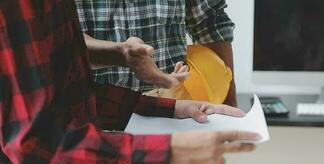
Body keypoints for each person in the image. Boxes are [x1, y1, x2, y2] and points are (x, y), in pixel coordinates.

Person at [0, 1, 259, 164]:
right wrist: (168, 153)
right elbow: (35, 143)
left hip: (124, 111)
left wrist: (172, 108)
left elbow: (68, 87)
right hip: (63, 151)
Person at [74, 0, 237, 106]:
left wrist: (228, 103)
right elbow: (60, 36)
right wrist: (121, 54)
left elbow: (209, 21)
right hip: (92, 109)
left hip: (174, 106)